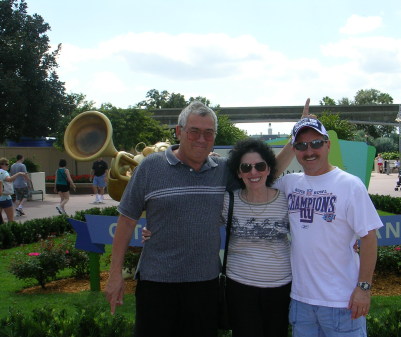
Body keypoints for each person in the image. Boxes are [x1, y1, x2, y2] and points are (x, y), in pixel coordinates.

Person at [104, 100, 299, 337]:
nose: (201, 139)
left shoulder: (222, 169)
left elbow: (263, 174)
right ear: (179, 131)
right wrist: (115, 275)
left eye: (208, 133)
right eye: (194, 131)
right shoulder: (150, 167)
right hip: (157, 283)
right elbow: (126, 220)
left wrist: (295, 136)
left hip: (205, 285)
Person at [273, 117, 383, 337]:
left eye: (316, 143)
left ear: (328, 144)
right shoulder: (290, 183)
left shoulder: (349, 185)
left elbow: (369, 239)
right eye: (301, 145)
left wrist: (363, 289)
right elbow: (268, 174)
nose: (309, 151)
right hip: (301, 301)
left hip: (342, 302)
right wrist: (291, 138)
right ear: (294, 150)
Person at [223, 138, 291, 337]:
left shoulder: (286, 200)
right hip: (240, 287)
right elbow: (199, 225)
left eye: (260, 166)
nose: (253, 173)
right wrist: (155, 231)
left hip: (280, 288)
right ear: (238, 172)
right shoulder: (229, 201)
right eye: (246, 167)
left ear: (269, 169)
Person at [0, 157, 27, 222]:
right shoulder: (3, 172)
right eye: (6, 164)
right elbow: (9, 179)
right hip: (5, 197)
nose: (7, 166)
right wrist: (19, 173)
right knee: (10, 220)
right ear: (2, 164)